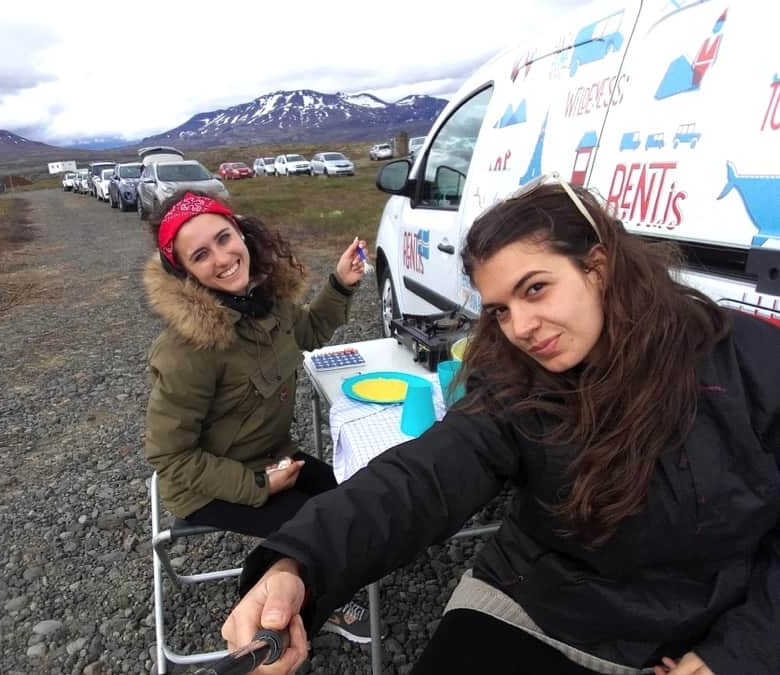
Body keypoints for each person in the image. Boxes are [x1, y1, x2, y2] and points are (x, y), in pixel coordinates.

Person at [218, 177, 780, 674]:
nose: (522, 328)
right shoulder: (516, 379)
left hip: (712, 621)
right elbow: (422, 478)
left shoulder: (749, 361)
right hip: (540, 601)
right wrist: (297, 564)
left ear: (598, 266)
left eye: (535, 289)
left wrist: (738, 652)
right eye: (500, 310)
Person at [143, 189, 376, 642]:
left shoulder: (266, 299)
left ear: (243, 233)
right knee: (318, 524)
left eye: (225, 237)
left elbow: (305, 331)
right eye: (201, 255)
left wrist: (341, 284)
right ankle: (314, 606)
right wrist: (258, 486)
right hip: (209, 485)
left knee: (352, 495)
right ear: (184, 272)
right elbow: (170, 457)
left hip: (273, 456)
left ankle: (322, 568)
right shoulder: (186, 351)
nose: (223, 258)